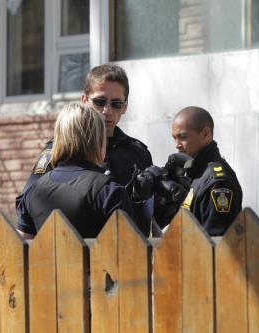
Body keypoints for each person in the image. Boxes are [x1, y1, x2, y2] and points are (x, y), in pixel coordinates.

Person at [15, 64, 152, 231]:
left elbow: (151, 218)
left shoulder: (137, 152)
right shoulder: (59, 149)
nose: (106, 111)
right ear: (85, 101)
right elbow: (28, 205)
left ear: (125, 107)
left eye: (116, 104)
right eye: (100, 102)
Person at [17, 103, 144, 239]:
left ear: (59, 139)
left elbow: (22, 247)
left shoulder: (33, 191)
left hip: (45, 260)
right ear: (98, 141)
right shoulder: (108, 191)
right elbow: (132, 249)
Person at [157, 106, 243, 236]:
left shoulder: (217, 182)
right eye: (174, 138)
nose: (177, 144)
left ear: (205, 134)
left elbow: (217, 242)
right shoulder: (195, 173)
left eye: (183, 137)